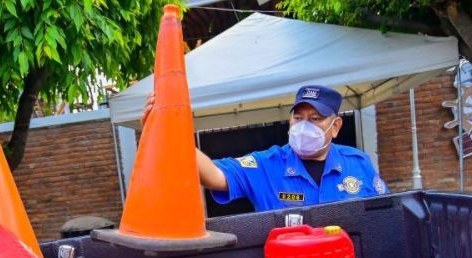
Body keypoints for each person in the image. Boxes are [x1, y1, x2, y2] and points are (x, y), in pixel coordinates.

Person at [141, 85, 389, 212]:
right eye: (298, 117)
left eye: (315, 119)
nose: (304, 126)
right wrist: (166, 131)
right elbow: (213, 175)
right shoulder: (267, 166)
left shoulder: (359, 164)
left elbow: (386, 216)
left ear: (335, 127)